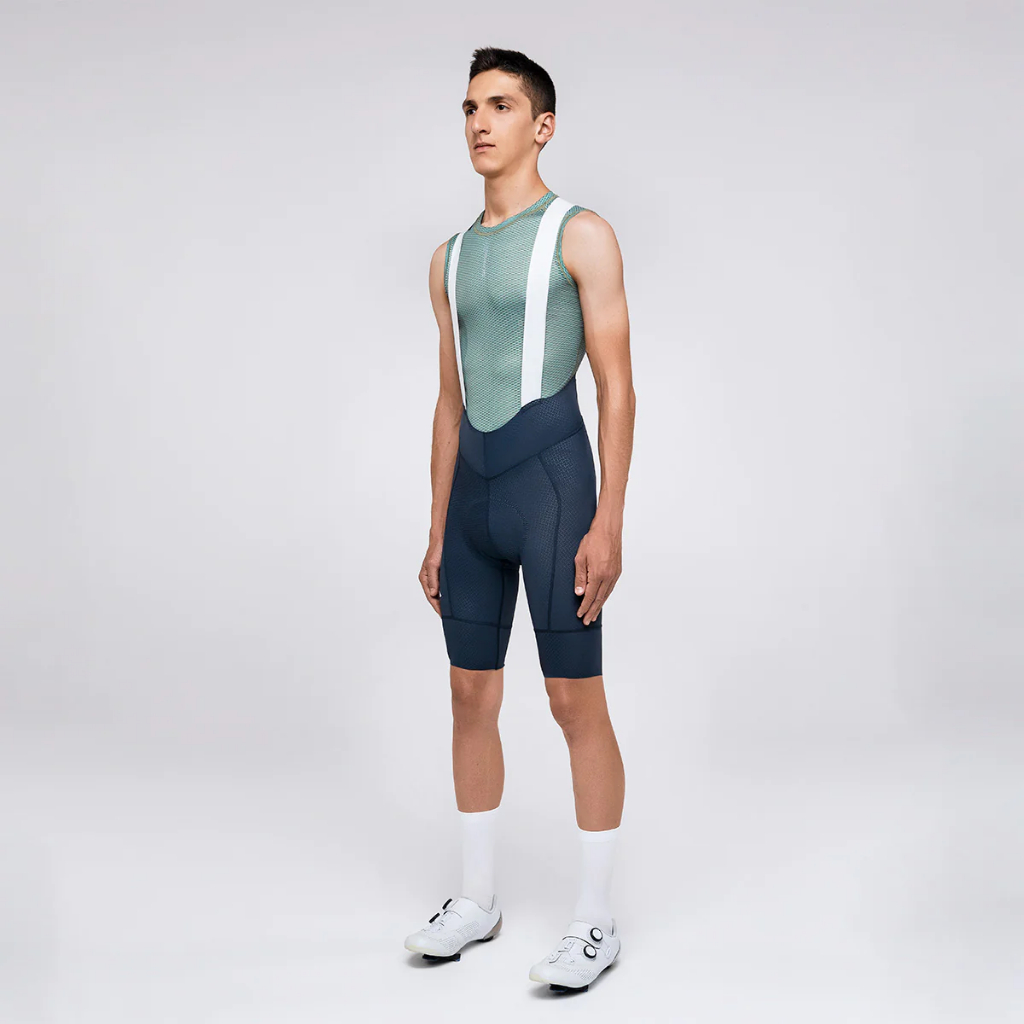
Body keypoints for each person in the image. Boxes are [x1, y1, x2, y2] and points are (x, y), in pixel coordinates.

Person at [406, 46, 635, 994]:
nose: (479, 123)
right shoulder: (449, 258)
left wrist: (609, 519)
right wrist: (435, 527)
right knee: (470, 694)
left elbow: (616, 385)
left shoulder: (582, 235)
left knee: (574, 701)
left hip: (552, 490)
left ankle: (595, 920)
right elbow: (450, 399)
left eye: (500, 106)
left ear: (541, 126)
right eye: (469, 108)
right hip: (473, 500)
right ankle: (478, 899)